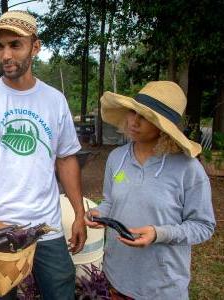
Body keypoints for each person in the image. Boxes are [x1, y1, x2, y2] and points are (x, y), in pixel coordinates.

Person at [0, 11, 87, 300]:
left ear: (35, 47)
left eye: (15, 45)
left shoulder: (54, 101)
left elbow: (66, 159)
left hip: (46, 226)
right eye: (0, 46)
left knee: (60, 291)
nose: (5, 54)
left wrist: (79, 213)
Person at [85, 81, 215, 299]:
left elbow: (203, 226)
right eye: (133, 112)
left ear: (164, 127)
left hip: (162, 285)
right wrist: (101, 213)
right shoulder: (117, 158)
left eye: (145, 117)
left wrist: (159, 234)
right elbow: (110, 201)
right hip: (117, 276)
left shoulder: (188, 169)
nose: (134, 121)